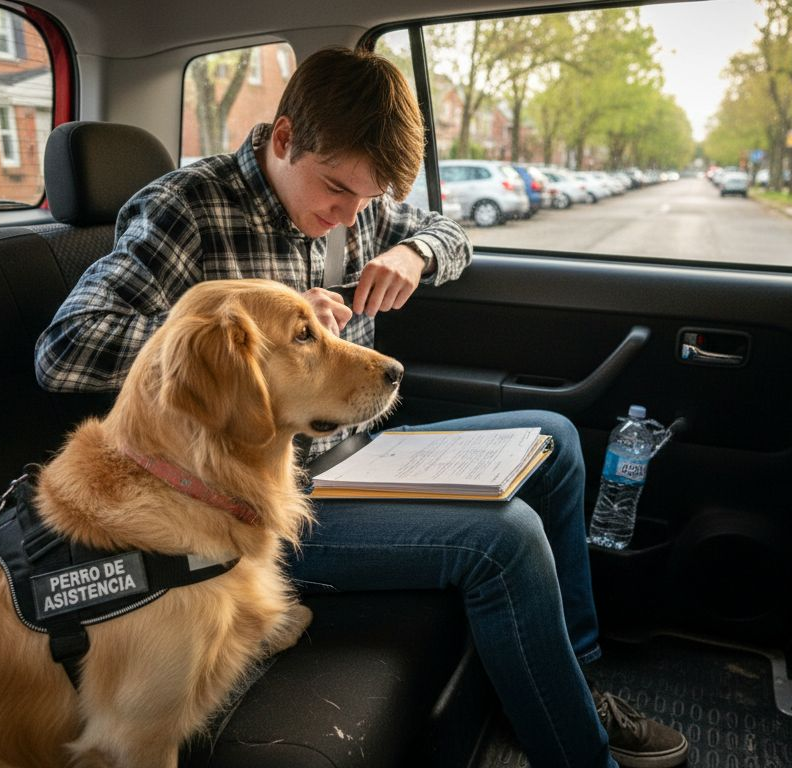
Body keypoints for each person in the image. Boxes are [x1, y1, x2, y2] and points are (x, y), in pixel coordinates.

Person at [35, 46, 689, 768]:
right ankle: (579, 751)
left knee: (555, 437)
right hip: (270, 499)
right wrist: (254, 344)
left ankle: (570, 667)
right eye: (338, 190)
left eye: (368, 202)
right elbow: (65, 349)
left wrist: (415, 255)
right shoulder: (186, 208)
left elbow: (449, 231)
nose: (348, 215)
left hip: (364, 453)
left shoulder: (358, 203)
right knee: (506, 537)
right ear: (283, 139)